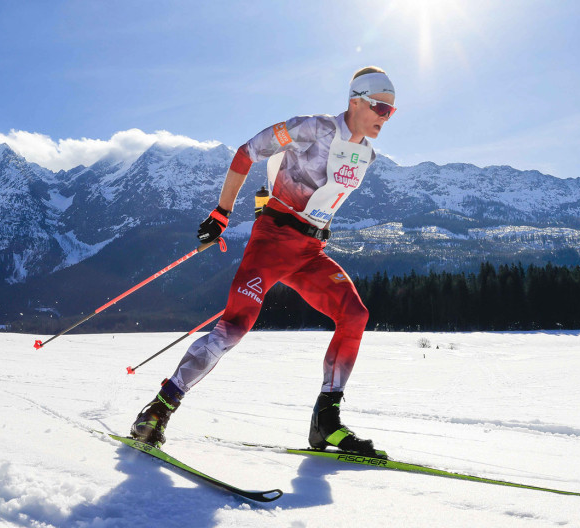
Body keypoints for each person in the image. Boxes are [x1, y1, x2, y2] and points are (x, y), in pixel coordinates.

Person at [130, 66, 397, 456]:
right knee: (233, 329)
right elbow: (246, 153)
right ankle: (158, 409)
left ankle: (327, 423)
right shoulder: (312, 128)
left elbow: (322, 198)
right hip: (272, 242)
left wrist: (316, 228)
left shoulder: (367, 155)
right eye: (379, 108)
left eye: (391, 111)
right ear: (355, 101)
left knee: (354, 315)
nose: (385, 118)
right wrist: (221, 213)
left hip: (309, 252)